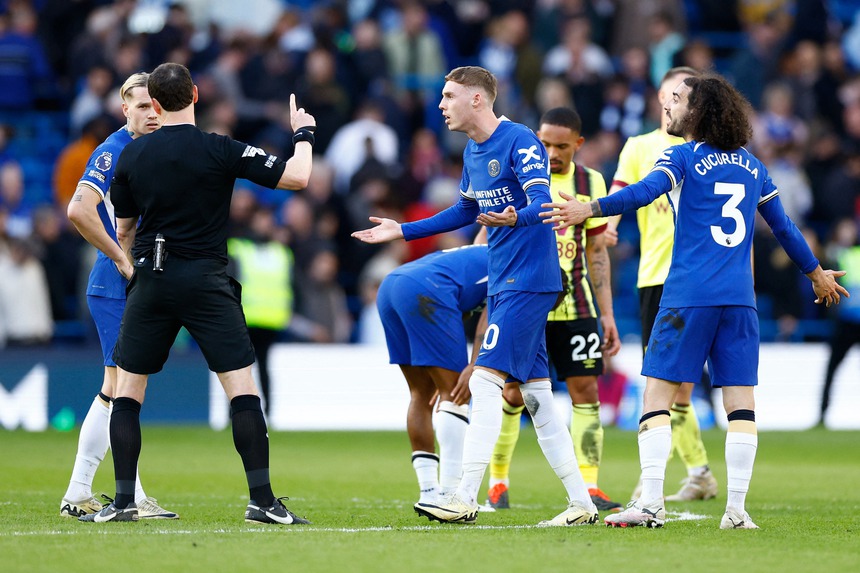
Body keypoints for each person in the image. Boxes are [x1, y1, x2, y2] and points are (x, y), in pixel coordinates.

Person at [541, 72, 849, 529]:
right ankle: (737, 511)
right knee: (740, 403)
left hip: (688, 296)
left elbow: (644, 192)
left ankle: (650, 503)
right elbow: (783, 227)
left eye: (678, 99)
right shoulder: (752, 166)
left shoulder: (682, 156)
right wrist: (816, 273)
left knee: (658, 395)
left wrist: (590, 208)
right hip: (740, 301)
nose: (668, 105)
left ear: (698, 112)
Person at [353, 66, 599, 526]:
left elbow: (542, 201)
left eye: (449, 96)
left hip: (529, 279)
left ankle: (463, 496)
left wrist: (515, 218)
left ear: (477, 100)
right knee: (537, 396)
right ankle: (581, 503)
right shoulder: (472, 151)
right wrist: (403, 230)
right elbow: (465, 209)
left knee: (484, 380)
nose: (441, 104)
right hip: (504, 279)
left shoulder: (520, 140)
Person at [79, 63, 316, 525]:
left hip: (151, 277)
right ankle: (262, 501)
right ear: (195, 95)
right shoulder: (220, 148)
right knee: (242, 390)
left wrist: (131, 269)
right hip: (206, 280)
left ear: (155, 104)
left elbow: (123, 230)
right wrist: (303, 133)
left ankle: (124, 501)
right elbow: (297, 177)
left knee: (127, 392)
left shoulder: (131, 155)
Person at [485, 107, 623, 514]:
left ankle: (590, 485)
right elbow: (489, 234)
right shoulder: (519, 174)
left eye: (561, 146)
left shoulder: (590, 182)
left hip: (576, 305)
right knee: (513, 392)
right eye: (544, 143)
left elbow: (597, 251)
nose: (551, 153)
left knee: (586, 391)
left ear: (578, 144)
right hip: (526, 300)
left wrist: (607, 314)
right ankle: (497, 482)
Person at [64, 73, 177, 520]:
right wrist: (122, 261)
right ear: (124, 108)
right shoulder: (113, 151)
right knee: (124, 389)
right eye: (142, 106)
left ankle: (78, 492)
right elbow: (78, 209)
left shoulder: (152, 149)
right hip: (115, 285)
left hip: (131, 282)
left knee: (113, 390)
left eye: (157, 106)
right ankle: (131, 495)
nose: (151, 113)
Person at [605, 66, 720, 502]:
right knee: (672, 383)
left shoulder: (708, 152)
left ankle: (654, 480)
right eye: (672, 92)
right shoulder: (640, 147)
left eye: (685, 95)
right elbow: (622, 188)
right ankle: (699, 472)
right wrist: (609, 225)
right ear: (659, 96)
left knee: (671, 383)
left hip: (697, 276)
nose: (676, 100)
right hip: (655, 275)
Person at [376, 243, 489, 506]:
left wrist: (442, 358)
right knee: (456, 395)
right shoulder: (516, 267)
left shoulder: (485, 252)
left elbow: (461, 305)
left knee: (421, 394)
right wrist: (474, 364)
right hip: (426, 288)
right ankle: (451, 496)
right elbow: (489, 320)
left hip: (392, 284)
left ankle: (428, 493)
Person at [820, 236, 860, 425]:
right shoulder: (845, 255)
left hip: (846, 322)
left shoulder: (844, 255)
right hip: (847, 322)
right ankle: (822, 413)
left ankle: (822, 414)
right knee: (831, 369)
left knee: (831, 370)